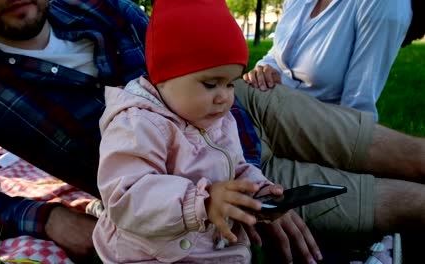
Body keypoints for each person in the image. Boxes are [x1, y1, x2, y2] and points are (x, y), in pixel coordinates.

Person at [0, 0, 425, 263]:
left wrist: (252, 168)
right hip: (199, 179)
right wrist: (52, 220)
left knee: (410, 156)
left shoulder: (98, 7)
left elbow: (200, 60)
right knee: (404, 205)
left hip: (244, 106)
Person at [92, 0, 320, 263]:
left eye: (231, 84)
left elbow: (235, 165)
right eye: (211, 84)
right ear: (163, 77)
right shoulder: (137, 123)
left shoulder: (217, 118)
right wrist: (203, 202)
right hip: (149, 255)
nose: (224, 97)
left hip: (212, 247)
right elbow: (127, 197)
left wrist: (256, 190)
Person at [243, 0, 412, 121]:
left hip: (307, 130)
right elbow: (275, 55)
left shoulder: (382, 4)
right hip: (262, 105)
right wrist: (263, 70)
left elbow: (357, 113)